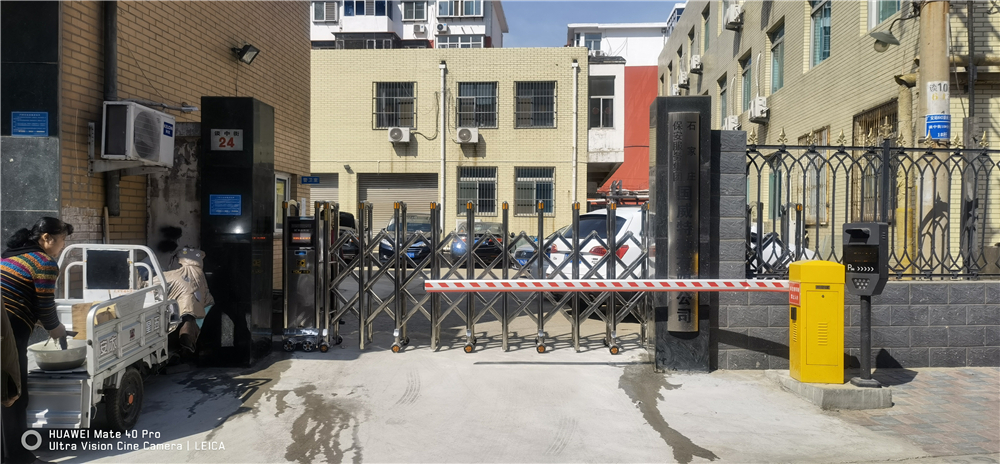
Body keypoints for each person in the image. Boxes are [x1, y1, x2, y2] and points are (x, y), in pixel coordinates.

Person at [1, 217, 73, 464]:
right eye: (62, 240)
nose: (63, 245)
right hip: (8, 334)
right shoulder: (44, 262)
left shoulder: (10, 255)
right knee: (13, 394)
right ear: (46, 238)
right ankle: (18, 458)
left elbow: (20, 296)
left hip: (4, 327)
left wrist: (46, 324)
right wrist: (57, 330)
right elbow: (45, 306)